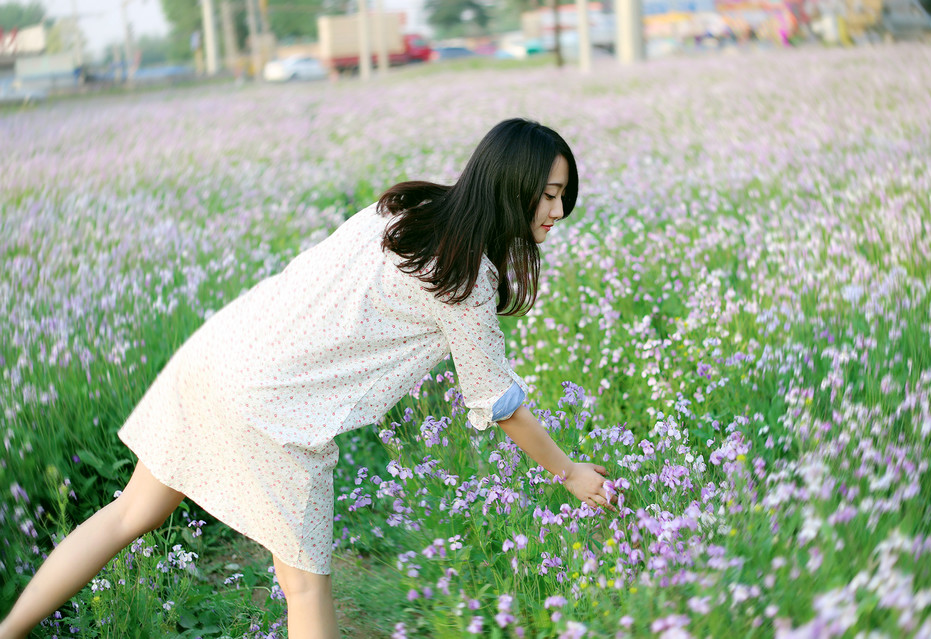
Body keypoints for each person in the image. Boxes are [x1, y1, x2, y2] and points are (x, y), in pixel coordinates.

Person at [0, 118, 616, 639]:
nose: (558, 211)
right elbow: (499, 404)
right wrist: (569, 473)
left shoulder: (404, 208)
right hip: (275, 412)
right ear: (511, 187)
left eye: (562, 195)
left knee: (127, 513)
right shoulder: (465, 282)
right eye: (548, 195)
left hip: (219, 353)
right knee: (303, 585)